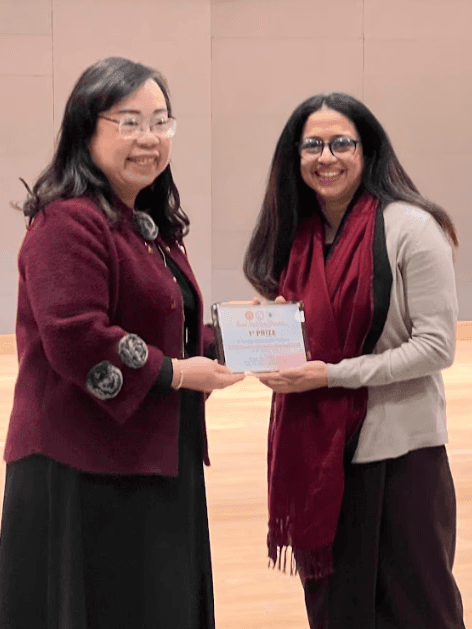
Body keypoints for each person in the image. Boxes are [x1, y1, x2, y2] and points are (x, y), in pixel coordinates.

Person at [0, 56, 243, 629]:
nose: (149, 138)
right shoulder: (67, 221)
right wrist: (183, 375)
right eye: (129, 121)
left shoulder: (144, 224)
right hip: (82, 472)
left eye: (161, 122)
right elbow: (77, 337)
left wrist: (244, 337)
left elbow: (165, 330)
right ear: (87, 129)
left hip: (150, 460)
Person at [243, 93, 465, 628]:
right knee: (338, 612)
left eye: (342, 142)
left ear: (368, 151)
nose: (327, 157)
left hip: (400, 457)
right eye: (313, 145)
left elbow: (437, 346)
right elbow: (306, 333)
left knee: (419, 608)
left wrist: (332, 376)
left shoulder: (413, 227)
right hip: (321, 459)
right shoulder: (299, 237)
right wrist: (264, 334)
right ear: (294, 157)